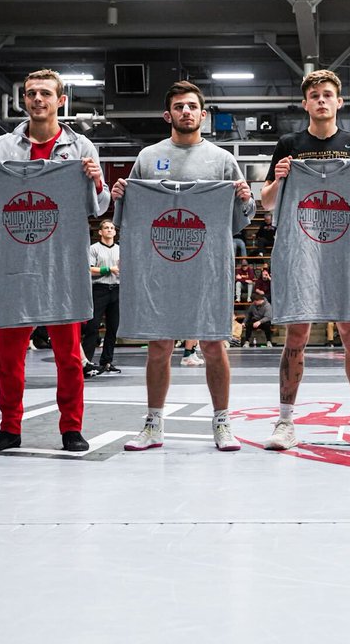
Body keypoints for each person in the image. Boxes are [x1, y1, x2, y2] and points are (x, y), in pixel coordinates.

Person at [0, 69, 109, 453]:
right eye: (31, 93)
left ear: (60, 100)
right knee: (10, 356)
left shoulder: (81, 147)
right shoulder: (3, 146)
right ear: (23, 100)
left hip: (62, 262)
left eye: (45, 93)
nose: (37, 99)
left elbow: (101, 205)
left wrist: (96, 180)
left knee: (68, 355)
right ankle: (9, 426)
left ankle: (72, 429)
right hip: (14, 260)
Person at [112, 80, 254, 452]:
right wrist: (121, 197)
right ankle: (154, 423)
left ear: (203, 115)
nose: (186, 112)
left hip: (207, 268)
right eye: (179, 107)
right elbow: (132, 218)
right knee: (158, 345)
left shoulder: (223, 160)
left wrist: (244, 198)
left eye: (192, 106)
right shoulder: (147, 157)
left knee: (212, 344)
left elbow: (240, 222)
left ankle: (222, 422)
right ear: (168, 114)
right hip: (159, 267)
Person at [259, 69, 350, 451]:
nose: (321, 100)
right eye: (314, 95)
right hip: (301, 253)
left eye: (327, 94)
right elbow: (266, 203)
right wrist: (279, 179)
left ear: (338, 101)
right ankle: (284, 422)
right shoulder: (288, 144)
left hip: (346, 252)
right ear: (305, 103)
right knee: (296, 335)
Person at [82, 219, 121, 377]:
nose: (110, 230)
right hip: (99, 289)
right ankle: (87, 363)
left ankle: (107, 361)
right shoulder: (93, 249)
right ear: (100, 232)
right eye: (106, 228)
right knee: (92, 327)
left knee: (113, 327)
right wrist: (109, 269)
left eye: (112, 228)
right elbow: (89, 269)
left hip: (116, 289)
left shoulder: (120, 249)